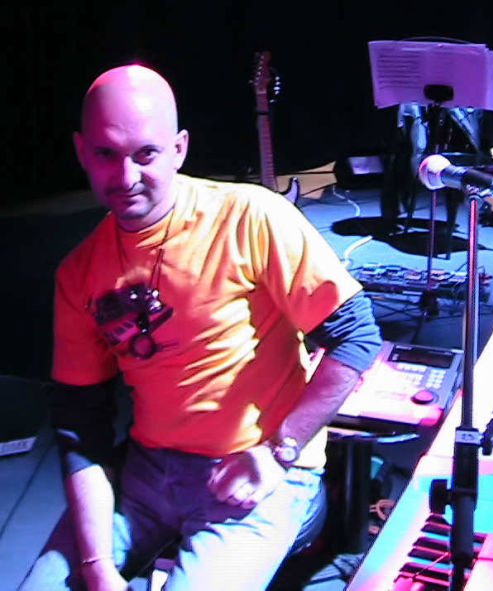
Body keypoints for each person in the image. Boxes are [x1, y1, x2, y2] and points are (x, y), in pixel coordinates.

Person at [20, 63, 382, 591]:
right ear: (81, 151)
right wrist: (96, 567)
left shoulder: (251, 216)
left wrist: (279, 451)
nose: (125, 177)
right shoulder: (79, 272)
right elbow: (81, 428)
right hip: (146, 474)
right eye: (105, 154)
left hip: (261, 471)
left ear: (179, 149)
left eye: (145, 154)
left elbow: (356, 336)